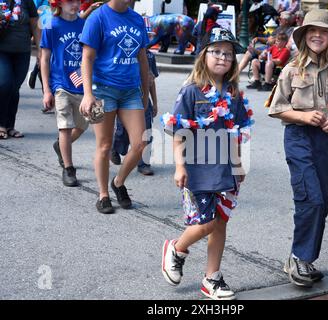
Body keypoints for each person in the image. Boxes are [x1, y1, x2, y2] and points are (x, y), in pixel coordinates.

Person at [268, 9, 328, 288]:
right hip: (298, 137)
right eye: (312, 31)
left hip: (323, 140)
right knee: (310, 197)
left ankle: (305, 258)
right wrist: (303, 116)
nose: (317, 35)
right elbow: (276, 108)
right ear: (304, 36)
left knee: (323, 199)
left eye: (323, 31)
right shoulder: (291, 69)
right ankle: (298, 256)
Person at [161, 27, 253, 300]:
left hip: (225, 170)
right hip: (197, 170)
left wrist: (238, 165)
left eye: (228, 54)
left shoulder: (234, 93)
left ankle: (212, 277)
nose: (223, 58)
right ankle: (177, 248)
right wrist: (179, 166)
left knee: (220, 222)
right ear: (204, 55)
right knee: (205, 223)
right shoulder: (191, 91)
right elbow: (178, 132)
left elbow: (236, 132)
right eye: (217, 52)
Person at [79, 0, 149, 214]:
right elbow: (87, 57)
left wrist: (144, 92)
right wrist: (88, 94)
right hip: (103, 91)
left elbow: (142, 58)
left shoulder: (137, 19)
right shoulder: (97, 18)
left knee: (140, 142)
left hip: (130, 91)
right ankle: (103, 195)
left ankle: (118, 183)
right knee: (105, 145)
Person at [40, 0, 89, 187]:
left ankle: (59, 145)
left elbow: (91, 55)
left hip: (82, 85)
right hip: (61, 84)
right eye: (70, 0)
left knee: (83, 125)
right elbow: (44, 59)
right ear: (59, 2)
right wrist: (47, 90)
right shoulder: (51, 25)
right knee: (65, 127)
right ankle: (69, 169)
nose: (75, 4)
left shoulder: (84, 25)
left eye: (78, 0)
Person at [110, 16, 159, 176]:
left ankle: (143, 162)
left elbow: (151, 81)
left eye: (150, 36)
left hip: (143, 99)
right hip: (126, 97)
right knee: (122, 131)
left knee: (146, 133)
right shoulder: (124, 52)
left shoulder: (150, 57)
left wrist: (155, 103)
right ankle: (116, 148)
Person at [0, 0, 41, 139]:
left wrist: (40, 50)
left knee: (14, 87)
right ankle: (1, 124)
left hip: (22, 51)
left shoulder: (27, 1)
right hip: (2, 50)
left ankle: (10, 126)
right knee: (4, 84)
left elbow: (35, 24)